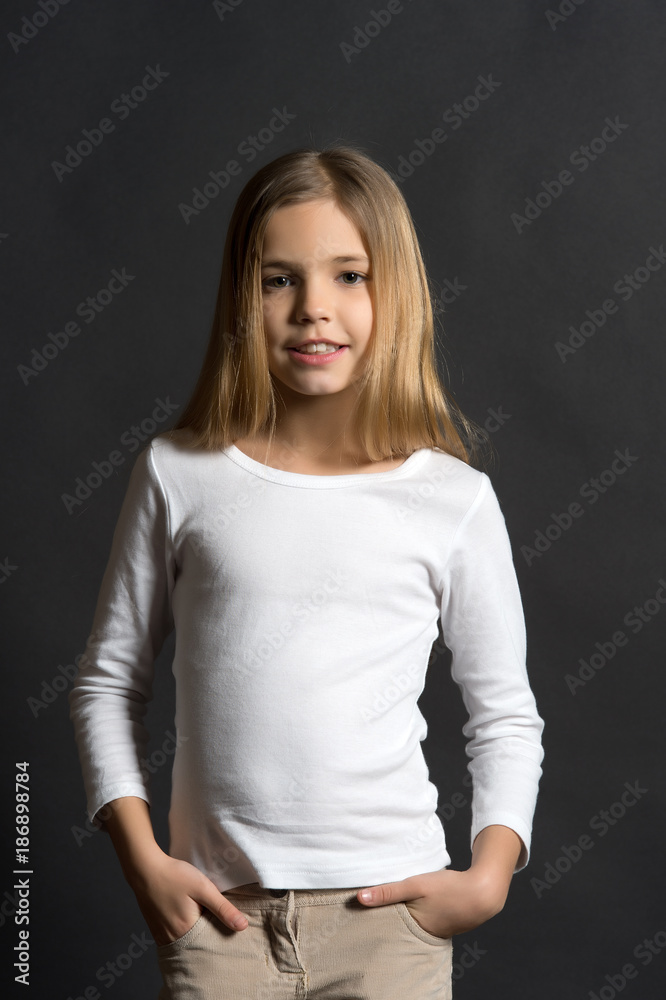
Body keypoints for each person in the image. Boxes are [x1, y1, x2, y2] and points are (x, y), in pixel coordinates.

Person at [69, 143, 544, 999]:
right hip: (219, 924)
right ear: (241, 297)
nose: (313, 310)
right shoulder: (181, 474)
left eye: (350, 277)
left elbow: (504, 712)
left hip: (387, 926)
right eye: (278, 279)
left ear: (393, 290)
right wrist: (143, 860)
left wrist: (489, 876)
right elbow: (107, 682)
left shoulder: (452, 498)